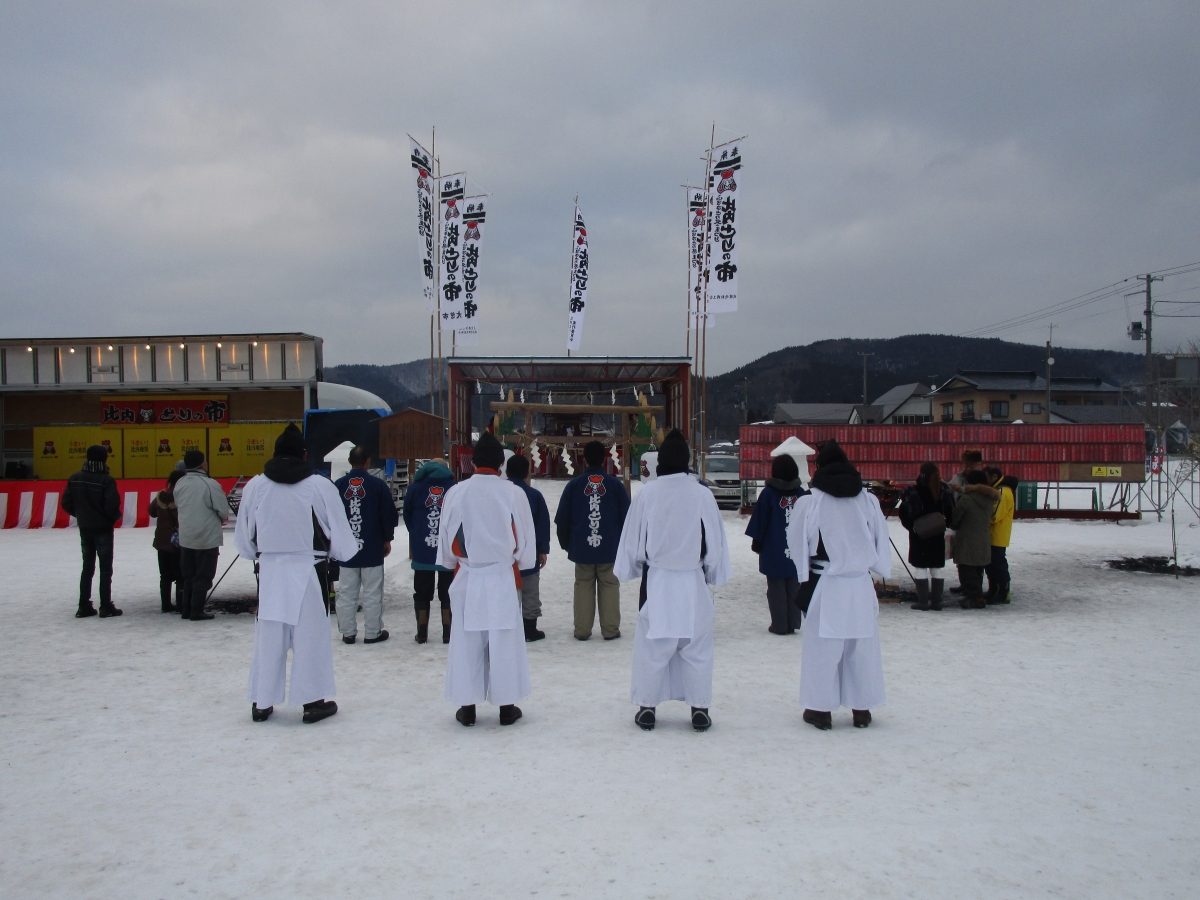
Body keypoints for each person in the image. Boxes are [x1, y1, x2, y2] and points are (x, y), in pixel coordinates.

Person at [235, 424, 357, 724]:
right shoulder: (319, 487)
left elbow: (244, 539)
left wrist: (262, 554)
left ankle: (262, 702)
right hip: (309, 569)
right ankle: (312, 702)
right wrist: (338, 554)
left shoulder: (255, 486)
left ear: (274, 454)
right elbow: (342, 540)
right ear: (304, 455)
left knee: (269, 635)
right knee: (310, 637)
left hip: (271, 571)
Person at [615, 430, 731, 733]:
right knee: (697, 647)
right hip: (692, 579)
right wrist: (713, 571)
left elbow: (632, 540)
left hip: (659, 582)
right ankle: (700, 707)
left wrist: (631, 568)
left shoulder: (648, 494)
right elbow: (714, 542)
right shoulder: (702, 494)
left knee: (653, 647)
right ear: (687, 462)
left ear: (661, 463)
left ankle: (647, 708)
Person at [786, 440, 890, 731]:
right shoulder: (866, 499)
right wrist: (879, 568)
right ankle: (861, 708)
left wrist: (803, 574)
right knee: (861, 648)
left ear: (819, 468)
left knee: (824, 649)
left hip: (827, 582)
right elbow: (880, 537)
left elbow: (797, 542)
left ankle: (820, 710)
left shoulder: (811, 501)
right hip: (858, 583)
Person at [437, 432, 537, 727]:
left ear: (474, 462)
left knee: (467, 641)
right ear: (500, 465)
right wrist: (523, 562)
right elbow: (525, 539)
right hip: (501, 575)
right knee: (504, 640)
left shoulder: (456, 492)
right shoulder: (513, 493)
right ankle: (507, 707)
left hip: (468, 573)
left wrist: (451, 561)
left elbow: (446, 538)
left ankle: (467, 707)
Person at [554, 440, 630, 641]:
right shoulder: (615, 485)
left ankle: (582, 630)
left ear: (584, 459)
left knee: (583, 585)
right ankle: (610, 629)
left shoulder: (574, 485)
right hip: (609, 547)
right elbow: (627, 519)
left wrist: (567, 544)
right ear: (605, 459)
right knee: (610, 585)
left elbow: (562, 519)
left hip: (582, 546)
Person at [333, 446, 399, 645]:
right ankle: (372, 632)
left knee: (346, 592)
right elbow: (388, 515)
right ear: (368, 461)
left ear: (349, 460)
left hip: (346, 550)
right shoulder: (377, 485)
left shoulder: (338, 486)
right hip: (372, 547)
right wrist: (387, 538)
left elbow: (331, 518)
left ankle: (347, 633)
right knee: (372, 592)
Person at [744, 454, 808, 634]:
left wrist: (757, 543)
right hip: (796, 550)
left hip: (773, 548)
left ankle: (779, 625)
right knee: (794, 586)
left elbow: (760, 521)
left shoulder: (769, 494)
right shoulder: (801, 494)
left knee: (776, 588)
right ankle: (793, 622)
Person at [61, 445, 123, 618]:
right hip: (103, 528)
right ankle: (105, 605)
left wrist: (81, 514)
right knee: (105, 568)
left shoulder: (75, 478)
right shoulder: (106, 480)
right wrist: (113, 517)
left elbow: (66, 503)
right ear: (104, 459)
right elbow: (111, 505)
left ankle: (84, 605)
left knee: (87, 567)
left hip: (85, 527)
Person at [403, 456, 457, 643]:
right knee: (448, 591)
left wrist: (417, 532)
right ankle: (448, 632)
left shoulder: (415, 488)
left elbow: (407, 515)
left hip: (422, 545)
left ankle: (422, 632)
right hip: (446, 546)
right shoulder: (453, 488)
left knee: (422, 590)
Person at [173, 450, 232, 621]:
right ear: (202, 465)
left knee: (188, 575)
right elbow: (222, 510)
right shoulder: (210, 484)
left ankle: (186, 609)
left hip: (186, 536)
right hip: (206, 536)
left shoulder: (180, 483)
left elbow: (178, 504)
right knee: (203, 575)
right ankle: (197, 610)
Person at [505, 453, 551, 642]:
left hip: (504, 552)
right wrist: (542, 549)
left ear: (506, 471)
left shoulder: (501, 492)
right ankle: (530, 627)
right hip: (528, 551)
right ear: (527, 473)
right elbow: (542, 524)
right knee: (530, 589)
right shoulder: (533, 495)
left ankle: (508, 626)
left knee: (507, 589)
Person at [898, 462, 956, 611]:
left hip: (920, 536)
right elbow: (951, 513)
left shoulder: (912, 492)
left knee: (921, 568)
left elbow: (904, 514)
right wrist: (943, 525)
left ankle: (922, 602)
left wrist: (912, 528)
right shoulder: (944, 489)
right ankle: (937, 602)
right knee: (936, 568)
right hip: (937, 535)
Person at [950, 470, 999, 609]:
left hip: (967, 539)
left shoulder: (966, 499)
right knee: (978, 570)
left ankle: (974, 597)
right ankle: (976, 595)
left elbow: (955, 517)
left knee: (967, 570)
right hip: (983, 539)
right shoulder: (990, 499)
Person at [149, 470, 185, 613]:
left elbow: (151, 512)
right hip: (177, 542)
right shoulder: (181, 498)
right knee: (180, 575)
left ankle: (165, 604)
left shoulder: (160, 497)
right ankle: (181, 604)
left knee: (164, 575)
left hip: (161, 541)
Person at [983, 466, 1016, 605]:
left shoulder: (1002, 492)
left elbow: (995, 515)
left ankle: (1003, 592)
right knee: (991, 564)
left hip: (997, 535)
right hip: (994, 535)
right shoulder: (999, 490)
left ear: (994, 477)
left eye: (986, 477)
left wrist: (981, 519)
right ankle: (994, 589)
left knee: (998, 564)